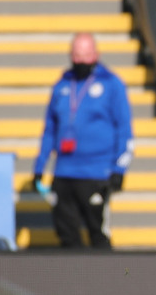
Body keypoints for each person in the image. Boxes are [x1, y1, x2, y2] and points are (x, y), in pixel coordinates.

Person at [33, 32, 134, 249]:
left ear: (96, 54)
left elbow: (124, 130)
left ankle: (107, 281)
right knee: (67, 235)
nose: (81, 61)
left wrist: (119, 169)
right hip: (64, 172)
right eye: (77, 56)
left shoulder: (112, 84)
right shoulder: (62, 85)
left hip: (96, 173)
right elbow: (50, 129)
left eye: (86, 55)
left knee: (98, 233)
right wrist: (40, 166)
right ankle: (74, 281)